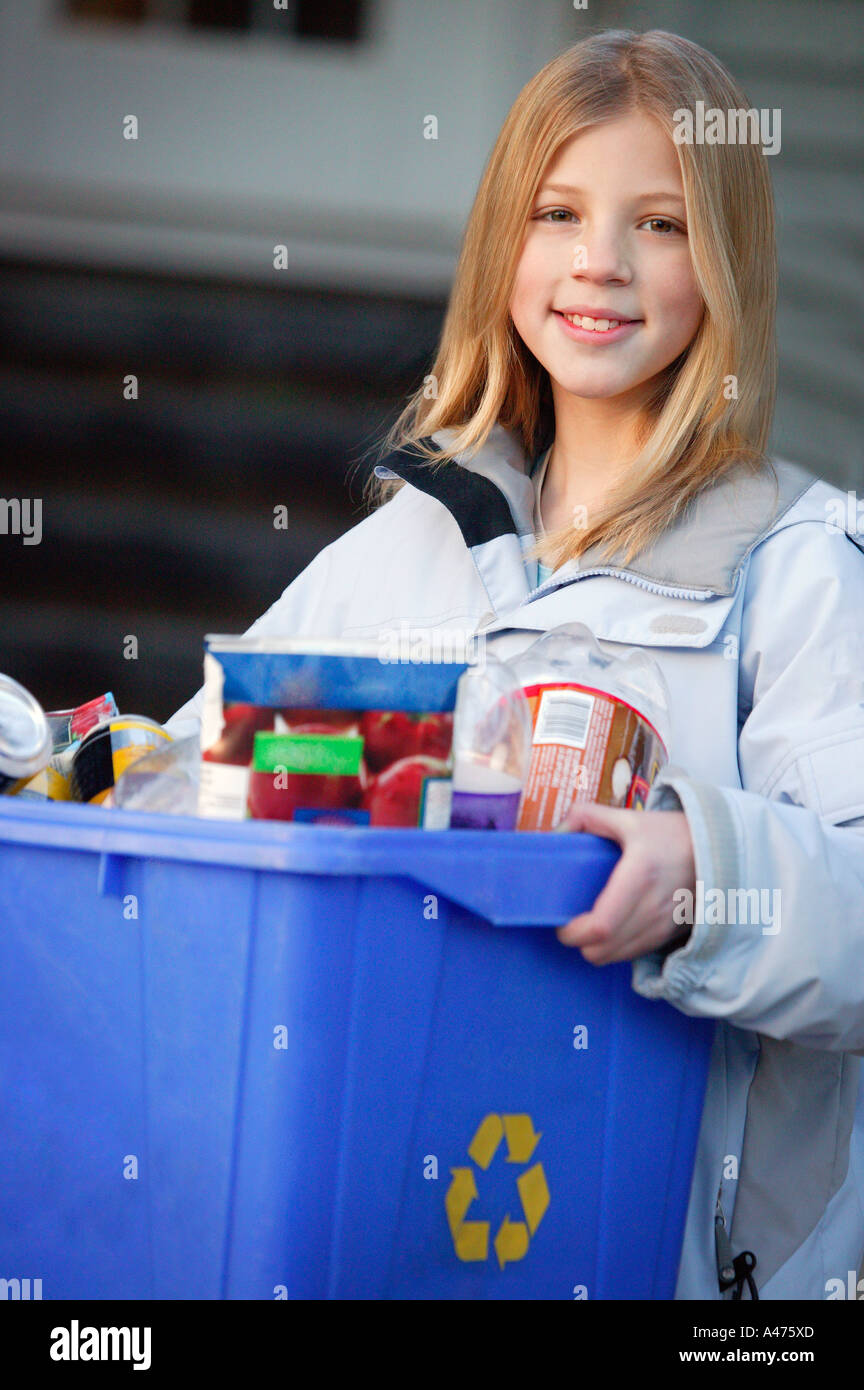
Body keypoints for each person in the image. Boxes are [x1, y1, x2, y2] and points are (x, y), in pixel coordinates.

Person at [165, 29, 864, 1301]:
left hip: (687, 1269)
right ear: (505, 243)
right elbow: (199, 764)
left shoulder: (796, 568)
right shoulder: (413, 544)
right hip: (396, 1228)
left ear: (729, 259)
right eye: (558, 212)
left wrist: (714, 874)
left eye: (659, 223)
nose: (600, 262)